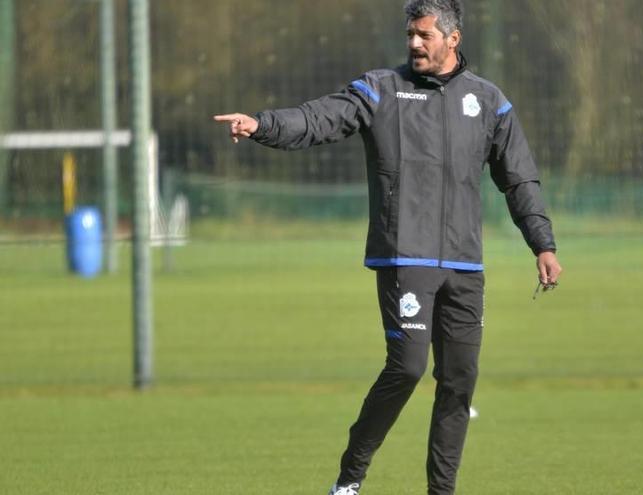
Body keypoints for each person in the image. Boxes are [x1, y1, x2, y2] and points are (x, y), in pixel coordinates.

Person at [214, 1, 561, 493]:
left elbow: (520, 179)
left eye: (424, 35)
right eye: (410, 34)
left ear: (452, 38)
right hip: (405, 256)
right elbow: (319, 119)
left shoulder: (488, 102)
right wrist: (262, 124)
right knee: (409, 366)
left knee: (459, 382)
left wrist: (542, 244)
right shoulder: (382, 90)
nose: (414, 43)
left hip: (464, 264)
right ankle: (349, 480)